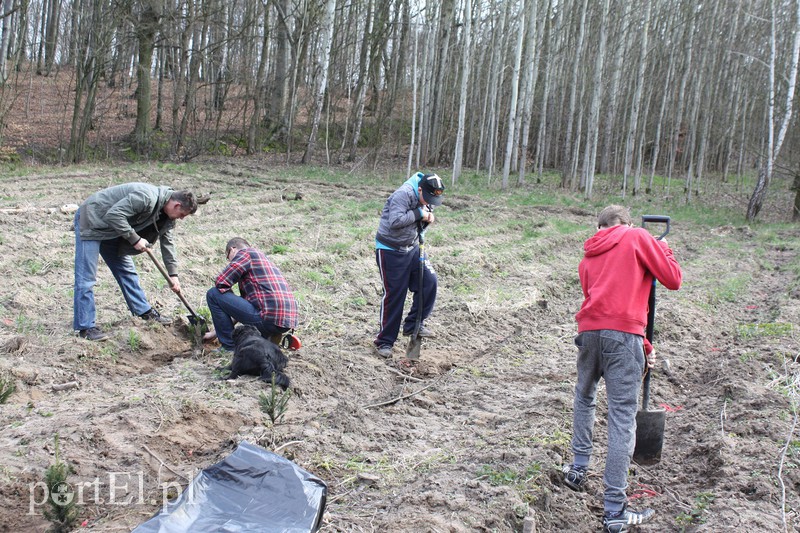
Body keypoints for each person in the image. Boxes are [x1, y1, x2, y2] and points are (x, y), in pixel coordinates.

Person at [563, 205, 682, 533]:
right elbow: (672, 279)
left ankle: (578, 468)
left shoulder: (588, 255)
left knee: (584, 398)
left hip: (588, 334)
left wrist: (643, 345)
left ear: (599, 226)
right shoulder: (638, 237)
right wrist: (662, 247)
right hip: (621, 338)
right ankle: (615, 509)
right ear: (626, 224)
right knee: (621, 417)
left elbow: (602, 306)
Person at [73, 183, 198, 341]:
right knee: (86, 278)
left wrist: (173, 275)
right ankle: (86, 327)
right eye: (182, 214)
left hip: (112, 229)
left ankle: (144, 311)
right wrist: (135, 239)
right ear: (177, 204)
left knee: (127, 270)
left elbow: (168, 244)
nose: (181, 218)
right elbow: (114, 215)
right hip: (92, 218)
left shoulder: (167, 215)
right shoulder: (146, 197)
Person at [373, 172, 445, 358]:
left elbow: (421, 220)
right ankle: (384, 342)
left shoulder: (428, 196)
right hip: (390, 250)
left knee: (429, 282)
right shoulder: (403, 194)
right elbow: (395, 221)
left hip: (412, 247)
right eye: (426, 198)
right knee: (396, 294)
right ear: (419, 189)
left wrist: (427, 219)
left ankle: (414, 324)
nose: (428, 202)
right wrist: (420, 213)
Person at [205, 237, 298, 352]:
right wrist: (215, 333)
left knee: (213, 293)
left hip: (268, 318)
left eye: (228, 257)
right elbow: (240, 310)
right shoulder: (262, 260)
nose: (230, 261)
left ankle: (229, 348)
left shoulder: (245, 253)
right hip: (285, 322)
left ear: (232, 249)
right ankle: (267, 338)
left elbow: (221, 281)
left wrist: (227, 295)